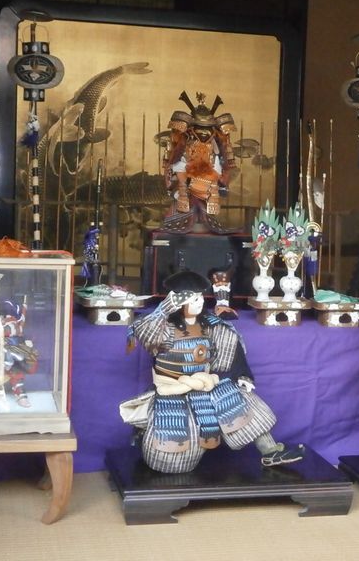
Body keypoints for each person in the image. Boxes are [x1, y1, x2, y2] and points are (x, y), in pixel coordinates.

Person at [121, 270, 304, 473]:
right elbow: (143, 331)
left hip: (205, 384)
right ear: (178, 303)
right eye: (193, 299)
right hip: (172, 390)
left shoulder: (209, 324)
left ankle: (270, 451)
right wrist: (164, 309)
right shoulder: (164, 327)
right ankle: (149, 441)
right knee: (175, 453)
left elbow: (230, 345)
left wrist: (241, 375)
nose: (199, 302)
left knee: (243, 401)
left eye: (200, 297)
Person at [160, 91, 238, 234]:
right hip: (187, 177)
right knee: (183, 192)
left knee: (210, 193)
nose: (203, 133)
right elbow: (175, 162)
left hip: (209, 179)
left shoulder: (216, 140)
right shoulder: (185, 138)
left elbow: (223, 162)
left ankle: (203, 218)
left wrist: (221, 176)